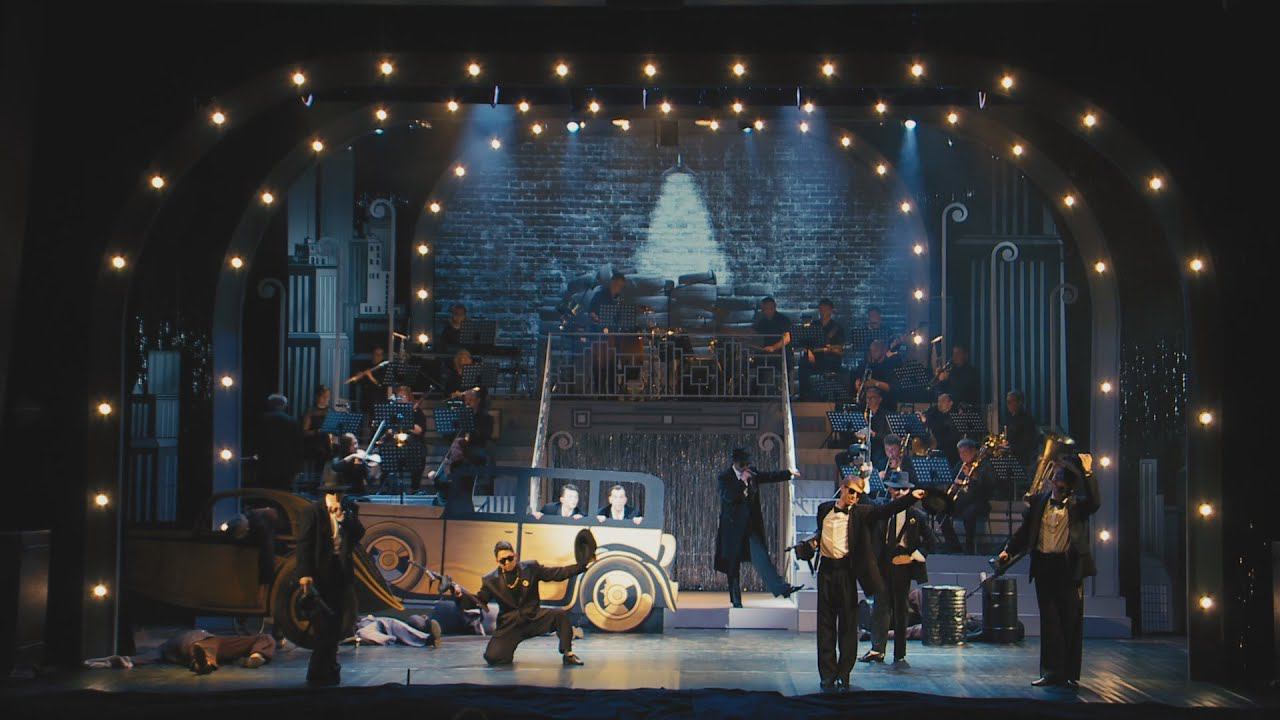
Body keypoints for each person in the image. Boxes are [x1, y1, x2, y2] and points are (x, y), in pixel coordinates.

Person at [799, 474, 927, 693]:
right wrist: (811, 543)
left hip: (846, 572)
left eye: (858, 494)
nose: (854, 497)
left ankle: (843, 674)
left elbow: (886, 510)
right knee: (825, 625)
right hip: (826, 572)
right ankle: (827, 675)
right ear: (842, 488)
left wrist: (911, 498)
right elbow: (821, 533)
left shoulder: (861, 513)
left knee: (848, 626)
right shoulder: (824, 509)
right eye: (851, 491)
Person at [998, 454, 1099, 689]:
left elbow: (1095, 502)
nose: (1060, 488)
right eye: (1057, 482)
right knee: (1050, 621)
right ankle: (1051, 672)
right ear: (1052, 482)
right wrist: (1007, 551)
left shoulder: (1076, 506)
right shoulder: (1039, 502)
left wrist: (1088, 472)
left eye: (1065, 485)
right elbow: (1025, 531)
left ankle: (1069, 674)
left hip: (1067, 567)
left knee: (1070, 620)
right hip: (1044, 566)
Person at [458, 540, 592, 666]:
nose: (507, 562)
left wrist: (581, 566)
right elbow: (479, 601)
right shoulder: (490, 580)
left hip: (533, 618)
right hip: (510, 625)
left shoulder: (530, 568)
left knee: (560, 615)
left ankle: (568, 654)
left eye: (510, 558)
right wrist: (459, 596)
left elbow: (556, 574)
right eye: (502, 561)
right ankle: (506, 651)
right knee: (493, 657)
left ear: (515, 556)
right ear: (497, 561)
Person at [296, 474, 365, 687]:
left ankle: (329, 668)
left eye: (341, 492)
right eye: (335, 492)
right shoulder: (313, 511)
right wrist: (305, 574)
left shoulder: (348, 509)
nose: (339, 496)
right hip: (320, 572)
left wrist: (342, 517)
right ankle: (318, 671)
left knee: (336, 625)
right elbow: (304, 544)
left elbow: (359, 533)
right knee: (323, 625)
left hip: (340, 571)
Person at [715, 447, 804, 608]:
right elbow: (729, 497)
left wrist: (788, 473)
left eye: (747, 464)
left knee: (762, 556)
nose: (746, 467)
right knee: (732, 566)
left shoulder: (752, 473)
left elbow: (768, 476)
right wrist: (742, 482)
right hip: (732, 530)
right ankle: (736, 601)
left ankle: (782, 588)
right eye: (742, 464)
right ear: (735, 463)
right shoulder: (724, 477)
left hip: (750, 527)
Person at [863, 474, 936, 667]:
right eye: (896, 489)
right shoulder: (882, 510)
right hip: (883, 563)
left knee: (901, 610)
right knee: (880, 606)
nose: (899, 493)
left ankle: (900, 653)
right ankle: (877, 650)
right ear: (889, 489)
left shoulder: (917, 516)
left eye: (903, 489)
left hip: (904, 565)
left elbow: (931, 541)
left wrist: (915, 556)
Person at [224, 507, 280, 639]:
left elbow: (266, 558)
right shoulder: (250, 520)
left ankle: (276, 630)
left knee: (271, 596)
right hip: (260, 559)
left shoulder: (261, 528)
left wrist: (262, 586)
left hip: (271, 557)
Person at [941, 438, 996, 554]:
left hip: (979, 502)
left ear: (973, 451)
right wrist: (954, 486)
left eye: (965, 452)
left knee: (969, 513)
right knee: (941, 512)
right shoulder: (960, 465)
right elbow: (952, 479)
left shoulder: (983, 464)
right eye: (960, 453)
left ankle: (969, 547)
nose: (962, 456)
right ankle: (954, 546)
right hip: (962, 501)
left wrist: (973, 477)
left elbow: (988, 487)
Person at [159, 629, 274, 675]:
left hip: (214, 640)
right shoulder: (183, 640)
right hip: (198, 642)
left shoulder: (167, 647)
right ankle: (203, 664)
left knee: (265, 637)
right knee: (202, 648)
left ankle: (255, 655)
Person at [253, 394, 303, 493]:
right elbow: (298, 446)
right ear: (284, 405)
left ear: (269, 404)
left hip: (266, 462)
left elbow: (256, 440)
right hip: (285, 464)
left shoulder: (261, 419)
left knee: (265, 492)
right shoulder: (291, 421)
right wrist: (296, 468)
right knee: (282, 493)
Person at [799, 298, 845, 400]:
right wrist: (809, 352)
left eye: (825, 309)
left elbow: (841, 347)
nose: (823, 312)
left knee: (829, 362)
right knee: (803, 364)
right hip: (815, 357)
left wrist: (831, 348)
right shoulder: (814, 325)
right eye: (821, 309)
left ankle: (827, 396)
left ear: (831, 310)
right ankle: (804, 395)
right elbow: (805, 342)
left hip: (831, 357)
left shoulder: (837, 327)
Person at [854, 339, 902, 408]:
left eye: (875, 351)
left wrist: (875, 383)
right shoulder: (868, 365)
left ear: (883, 351)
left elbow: (893, 388)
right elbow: (859, 380)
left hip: (885, 404)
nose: (873, 353)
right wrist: (858, 384)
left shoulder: (890, 365)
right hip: (867, 404)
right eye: (871, 351)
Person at [301, 385, 333, 483]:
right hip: (314, 442)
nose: (326, 399)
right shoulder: (311, 411)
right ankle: (316, 482)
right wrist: (317, 431)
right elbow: (304, 432)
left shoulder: (330, 411)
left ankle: (329, 481)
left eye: (328, 397)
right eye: (323, 396)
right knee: (321, 452)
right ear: (317, 397)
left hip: (326, 442)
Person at [920, 393, 962, 467]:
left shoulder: (954, 415)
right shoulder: (934, 411)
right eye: (938, 401)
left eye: (943, 401)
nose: (939, 404)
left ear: (950, 403)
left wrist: (926, 421)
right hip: (938, 448)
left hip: (950, 451)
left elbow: (941, 427)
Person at [855, 386, 892, 468]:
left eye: (872, 398)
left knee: (877, 456)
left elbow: (888, 437)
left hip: (879, 447)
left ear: (879, 399)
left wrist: (874, 434)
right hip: (865, 445)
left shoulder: (886, 416)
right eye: (867, 398)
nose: (869, 400)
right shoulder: (864, 414)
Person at [1004, 390, 1041, 469]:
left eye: (1010, 401)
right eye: (1007, 401)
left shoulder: (1027, 420)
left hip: (1021, 461)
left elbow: (1027, 445)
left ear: (1019, 402)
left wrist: (1010, 448)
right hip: (1011, 457)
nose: (1008, 404)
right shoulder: (1010, 418)